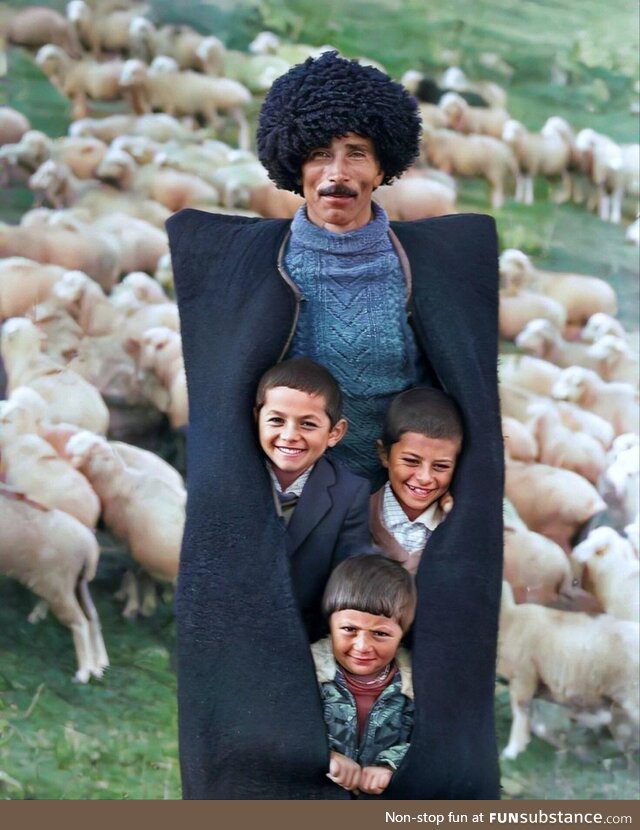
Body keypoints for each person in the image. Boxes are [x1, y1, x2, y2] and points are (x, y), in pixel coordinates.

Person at [167, 50, 503, 799]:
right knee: (285, 691)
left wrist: (435, 507)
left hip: (395, 514)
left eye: (355, 152)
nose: (336, 172)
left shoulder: (430, 266)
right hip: (296, 508)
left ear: (382, 163)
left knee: (394, 694)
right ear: (293, 164)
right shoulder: (254, 266)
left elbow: (462, 391)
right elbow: (228, 397)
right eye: (318, 153)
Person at [255, 357, 370, 641]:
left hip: (306, 637)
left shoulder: (350, 492)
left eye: (308, 424)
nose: (290, 435)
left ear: (335, 433)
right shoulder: (235, 480)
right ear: (256, 419)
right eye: (276, 420)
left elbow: (348, 577)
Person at [312, 554, 416, 797]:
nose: (362, 646)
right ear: (330, 624)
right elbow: (286, 728)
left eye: (380, 634)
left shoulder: (413, 686)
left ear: (402, 634)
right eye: (349, 630)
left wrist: (389, 765)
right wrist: (324, 754)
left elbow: (430, 741)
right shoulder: (309, 675)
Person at [371, 387, 463, 576]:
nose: (425, 478)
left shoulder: (455, 523)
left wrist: (452, 520)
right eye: (411, 461)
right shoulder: (357, 516)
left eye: (441, 466)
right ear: (384, 455)